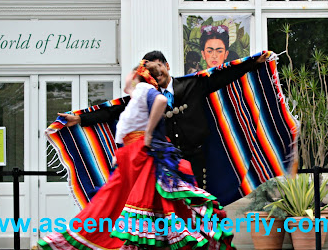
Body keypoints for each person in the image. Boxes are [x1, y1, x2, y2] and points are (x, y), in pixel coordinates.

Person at [39, 60, 237, 250]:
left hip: (142, 161)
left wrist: (149, 133)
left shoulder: (146, 91)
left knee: (118, 211)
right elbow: (116, 107)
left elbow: (161, 100)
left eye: (132, 73)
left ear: (140, 76)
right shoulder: (136, 96)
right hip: (131, 160)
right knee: (144, 215)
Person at [59, 50, 268, 193]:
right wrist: (79, 118)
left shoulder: (193, 84)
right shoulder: (144, 96)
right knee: (169, 210)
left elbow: (224, 75)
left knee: (198, 204)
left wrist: (253, 62)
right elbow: (114, 110)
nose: (155, 74)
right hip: (165, 161)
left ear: (166, 66)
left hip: (196, 157)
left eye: (158, 67)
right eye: (149, 71)